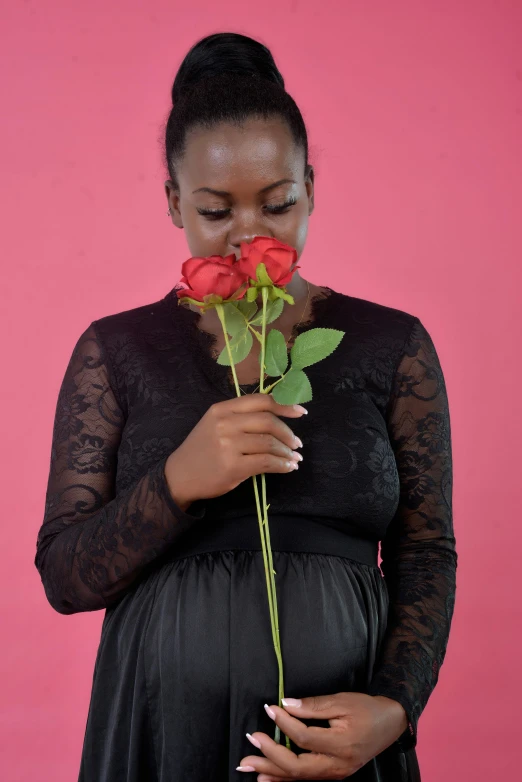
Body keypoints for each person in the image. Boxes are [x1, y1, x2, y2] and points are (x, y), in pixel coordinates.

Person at [34, 32, 457, 782]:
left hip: (342, 750)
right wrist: (178, 481)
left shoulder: (393, 345)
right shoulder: (115, 351)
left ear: (311, 188)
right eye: (215, 209)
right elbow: (66, 578)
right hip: (161, 739)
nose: (250, 235)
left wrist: (394, 711)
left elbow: (425, 552)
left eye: (278, 202)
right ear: (173, 203)